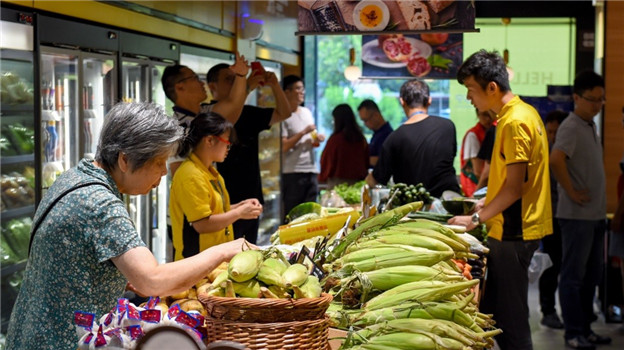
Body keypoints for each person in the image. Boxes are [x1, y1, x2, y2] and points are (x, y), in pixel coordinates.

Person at [5, 102, 251, 350]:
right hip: (59, 341)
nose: (164, 172)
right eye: (158, 162)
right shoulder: (101, 204)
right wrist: (224, 251)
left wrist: (112, 277)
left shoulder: (76, 176)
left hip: (28, 332)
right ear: (125, 159)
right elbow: (151, 281)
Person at [449, 49, 552, 350]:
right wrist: (485, 203)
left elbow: (514, 188)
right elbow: (513, 182)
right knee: (496, 313)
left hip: (513, 232)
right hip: (510, 229)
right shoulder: (522, 113)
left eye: (470, 90)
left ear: (491, 88)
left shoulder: (514, 122)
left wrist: (475, 218)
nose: (469, 98)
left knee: (512, 322)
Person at [551, 71, 610, 349]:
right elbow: (555, 159)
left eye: (601, 100)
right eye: (592, 100)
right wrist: (571, 191)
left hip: (595, 216)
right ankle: (573, 333)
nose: (597, 105)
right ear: (576, 98)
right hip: (576, 217)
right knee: (573, 277)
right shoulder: (571, 126)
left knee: (591, 277)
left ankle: (585, 329)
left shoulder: (589, 125)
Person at [206, 62, 291, 244]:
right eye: (229, 79)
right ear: (212, 87)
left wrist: (275, 85)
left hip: (250, 194)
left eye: (236, 79)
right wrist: (247, 85)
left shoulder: (248, 112)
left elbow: (284, 113)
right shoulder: (210, 115)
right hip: (220, 199)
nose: (234, 83)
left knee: (247, 249)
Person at [169, 112, 263, 261]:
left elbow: (214, 211)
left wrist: (241, 206)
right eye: (226, 141)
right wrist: (239, 213)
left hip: (215, 261)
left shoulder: (211, 173)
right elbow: (202, 224)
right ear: (210, 140)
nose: (228, 147)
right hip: (196, 263)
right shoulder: (191, 175)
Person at [365, 79, 460, 198]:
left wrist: (368, 180)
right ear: (429, 101)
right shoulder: (448, 126)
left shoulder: (394, 138)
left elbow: (376, 180)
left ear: (402, 101)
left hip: (414, 208)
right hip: (449, 204)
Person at [161, 52, 249, 175]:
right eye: (195, 78)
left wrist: (241, 75)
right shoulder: (176, 129)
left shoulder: (204, 112)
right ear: (180, 87)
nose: (202, 83)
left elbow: (234, 102)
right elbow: (180, 175)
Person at [539, 110, 568, 329]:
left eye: (556, 132)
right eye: (549, 132)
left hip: (568, 216)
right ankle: (548, 311)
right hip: (550, 218)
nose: (552, 136)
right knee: (551, 265)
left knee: (564, 266)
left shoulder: (568, 151)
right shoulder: (545, 152)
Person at [281, 75, 325, 220]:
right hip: (293, 172)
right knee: (293, 215)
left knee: (312, 215)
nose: (302, 92)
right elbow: (284, 146)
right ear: (287, 92)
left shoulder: (306, 112)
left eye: (303, 89)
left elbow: (312, 140)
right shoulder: (282, 115)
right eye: (298, 89)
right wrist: (303, 133)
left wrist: (316, 140)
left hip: (311, 169)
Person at [319, 104, 369, 189]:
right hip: (358, 184)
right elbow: (366, 162)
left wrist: (322, 177)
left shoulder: (335, 140)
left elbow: (327, 162)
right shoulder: (361, 139)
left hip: (337, 184)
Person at [460, 108, 494, 197]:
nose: (488, 118)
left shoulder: (491, 131)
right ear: (478, 115)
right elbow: (478, 172)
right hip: (476, 188)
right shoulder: (473, 134)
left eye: (490, 114)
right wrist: (475, 196)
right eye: (484, 115)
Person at [357, 99, 393, 167]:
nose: (365, 124)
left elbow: (384, 160)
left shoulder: (386, 135)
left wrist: (362, 160)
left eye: (366, 120)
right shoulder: (377, 134)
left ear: (376, 115)